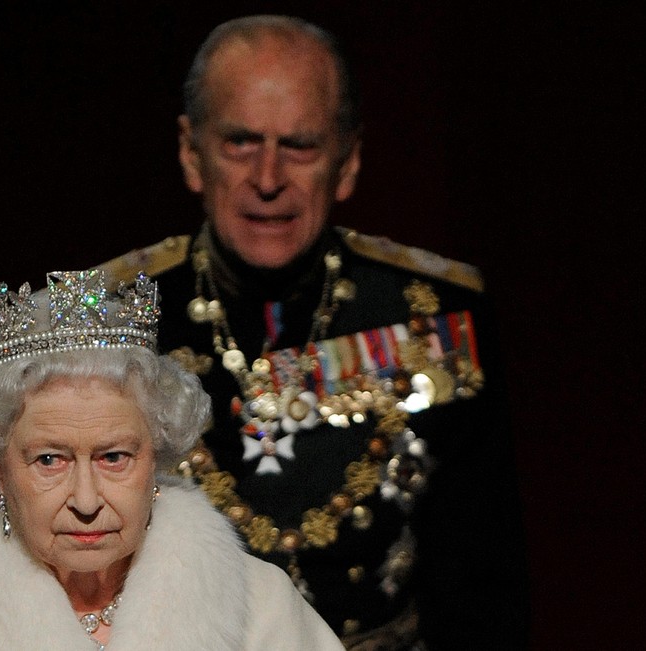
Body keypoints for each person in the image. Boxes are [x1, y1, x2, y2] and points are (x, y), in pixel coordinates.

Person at [96, 15, 530, 649]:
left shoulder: (434, 313)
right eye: (240, 142)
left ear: (348, 162)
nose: (268, 179)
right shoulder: (98, 314)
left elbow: (483, 587)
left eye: (300, 146)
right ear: (191, 154)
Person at [0, 270, 343, 650]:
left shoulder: (259, 605)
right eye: (49, 460)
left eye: (114, 457)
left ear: (157, 458)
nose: (86, 501)